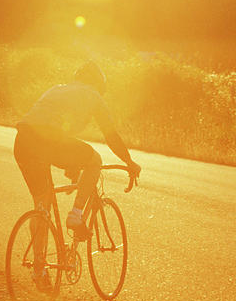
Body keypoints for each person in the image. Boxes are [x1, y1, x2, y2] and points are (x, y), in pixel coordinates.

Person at [13, 61, 140, 289]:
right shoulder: (93, 94)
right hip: (47, 140)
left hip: (23, 141)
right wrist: (129, 162)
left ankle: (39, 270)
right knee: (95, 160)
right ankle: (77, 214)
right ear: (98, 85)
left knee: (42, 206)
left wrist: (71, 165)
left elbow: (61, 132)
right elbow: (110, 136)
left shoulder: (58, 89)